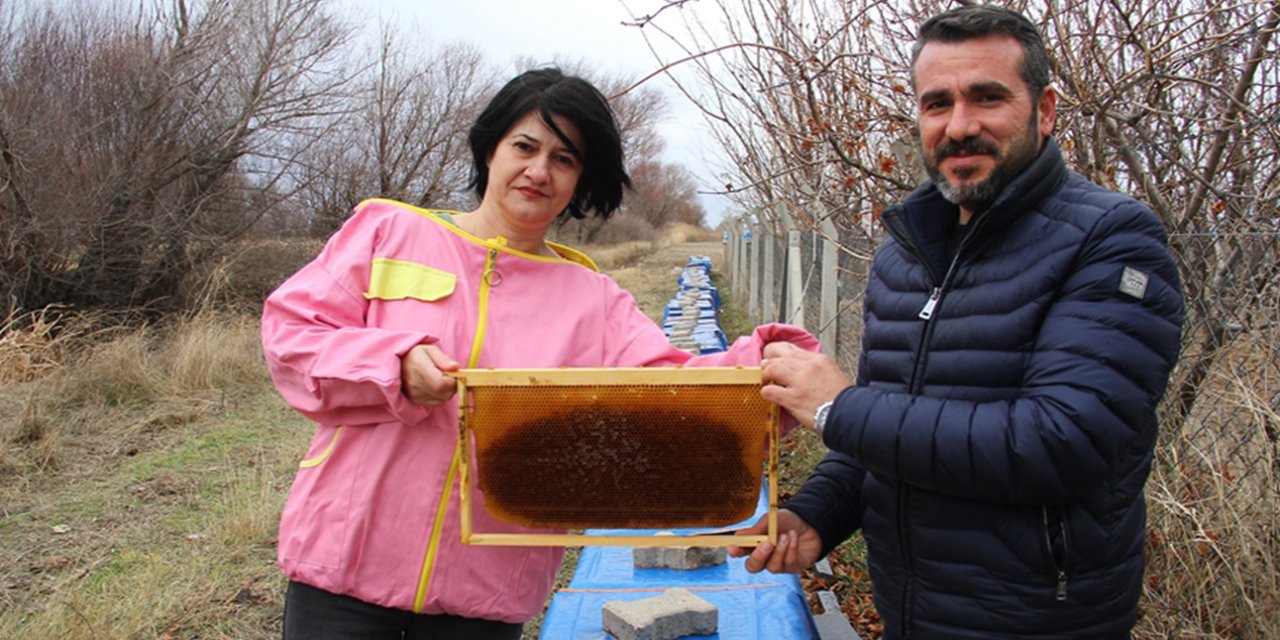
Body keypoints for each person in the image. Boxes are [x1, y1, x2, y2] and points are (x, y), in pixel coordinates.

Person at [261, 68, 817, 639]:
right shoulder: (387, 233)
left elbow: (673, 390)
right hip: (343, 572)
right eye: (524, 147)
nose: (539, 171)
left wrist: (767, 370)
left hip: (484, 597)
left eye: (564, 159)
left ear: (581, 179)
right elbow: (294, 336)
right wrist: (393, 366)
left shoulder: (591, 297)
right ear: (489, 149)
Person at [732, 6, 1184, 639]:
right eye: (937, 103)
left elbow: (1060, 442)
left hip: (1038, 621)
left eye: (988, 98)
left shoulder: (1111, 241)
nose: (959, 126)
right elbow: (888, 425)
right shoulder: (904, 252)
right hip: (913, 610)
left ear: (1045, 110)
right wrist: (816, 514)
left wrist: (839, 409)